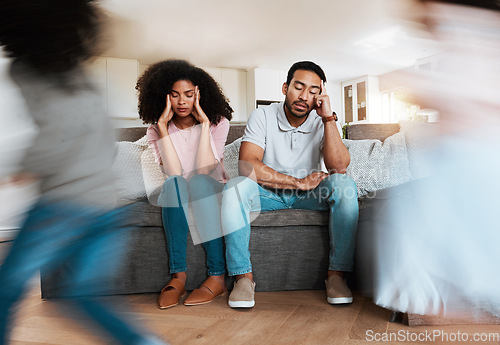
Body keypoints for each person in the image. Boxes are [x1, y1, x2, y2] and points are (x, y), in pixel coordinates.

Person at [0, 1, 165, 344]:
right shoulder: (77, 73)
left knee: (7, 288)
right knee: (82, 294)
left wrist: (24, 167)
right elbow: (99, 137)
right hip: (107, 206)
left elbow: (56, 133)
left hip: (64, 204)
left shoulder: (26, 68)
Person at [221, 61, 359, 308]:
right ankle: (243, 278)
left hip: (308, 196)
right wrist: (297, 182)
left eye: (313, 91)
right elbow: (247, 166)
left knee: (344, 185)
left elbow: (338, 168)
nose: (304, 96)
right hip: (268, 194)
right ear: (285, 88)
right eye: (298, 87)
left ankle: (336, 276)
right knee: (234, 187)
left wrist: (328, 118)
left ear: (320, 95)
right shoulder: (262, 115)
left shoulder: (321, 120)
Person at [136, 59, 233, 309]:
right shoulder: (156, 131)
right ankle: (178, 277)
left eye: (189, 95)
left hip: (208, 188)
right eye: (174, 95)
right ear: (163, 96)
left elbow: (203, 171)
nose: (181, 102)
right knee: (175, 184)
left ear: (199, 95)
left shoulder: (218, 123)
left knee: (199, 183)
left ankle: (217, 276)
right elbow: (174, 172)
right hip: (179, 188)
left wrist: (203, 124)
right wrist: (161, 126)